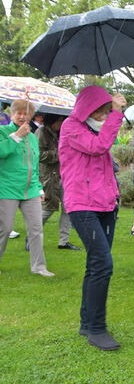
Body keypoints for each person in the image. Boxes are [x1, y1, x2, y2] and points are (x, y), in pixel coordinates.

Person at [59, 86, 126, 351]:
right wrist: (117, 115)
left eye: (106, 110)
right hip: (82, 204)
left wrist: (115, 194)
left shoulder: (95, 128)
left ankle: (87, 322)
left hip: (105, 204)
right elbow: (98, 148)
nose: (103, 115)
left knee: (95, 264)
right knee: (102, 264)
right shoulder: (71, 126)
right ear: (86, 107)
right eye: (100, 110)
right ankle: (96, 328)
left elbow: (104, 159)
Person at [0, 99, 54, 277]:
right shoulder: (3, 131)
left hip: (30, 190)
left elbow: (34, 164)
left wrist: (39, 187)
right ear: (12, 114)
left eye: (26, 113)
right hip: (7, 188)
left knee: (36, 229)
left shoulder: (32, 136)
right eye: (19, 113)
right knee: (5, 228)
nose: (23, 116)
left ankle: (39, 266)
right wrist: (16, 136)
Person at [37, 113, 81, 251]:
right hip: (49, 176)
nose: (62, 123)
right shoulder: (41, 132)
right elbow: (38, 155)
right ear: (53, 119)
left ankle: (64, 241)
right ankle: (32, 237)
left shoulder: (63, 132)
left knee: (68, 208)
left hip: (64, 175)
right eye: (61, 120)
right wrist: (59, 153)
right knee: (48, 209)